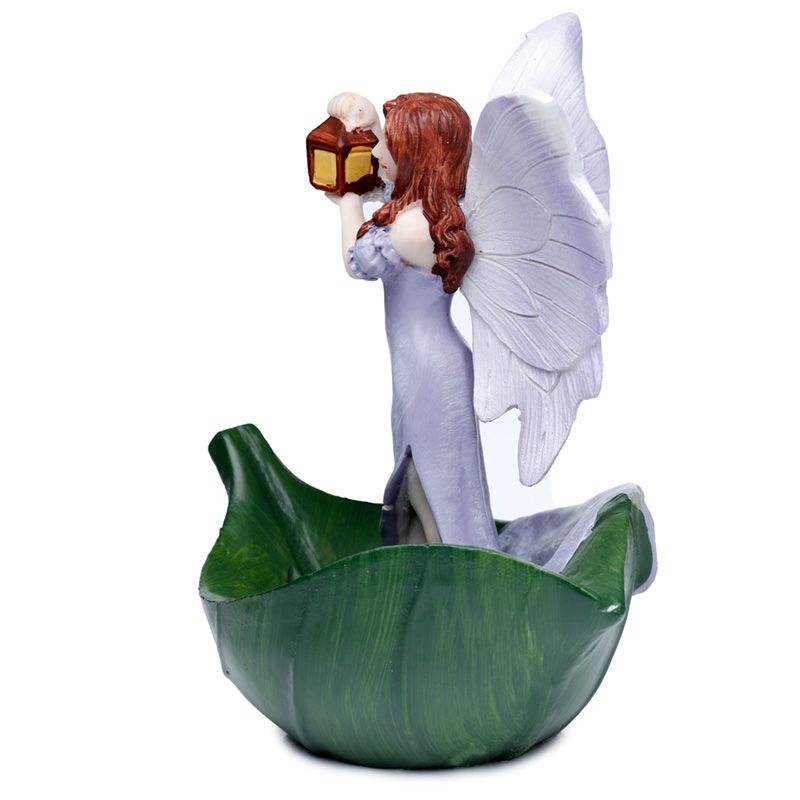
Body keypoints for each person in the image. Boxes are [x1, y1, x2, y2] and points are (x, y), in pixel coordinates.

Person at [327, 92, 500, 551]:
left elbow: (356, 260)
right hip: (418, 365)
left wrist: (347, 199)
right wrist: (363, 113)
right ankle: (432, 563)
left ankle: (454, 571)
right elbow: (386, 182)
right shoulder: (422, 207)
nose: (378, 152)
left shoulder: (413, 228)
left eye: (390, 145)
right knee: (418, 479)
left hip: (431, 371)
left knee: (436, 486)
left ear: (417, 156)